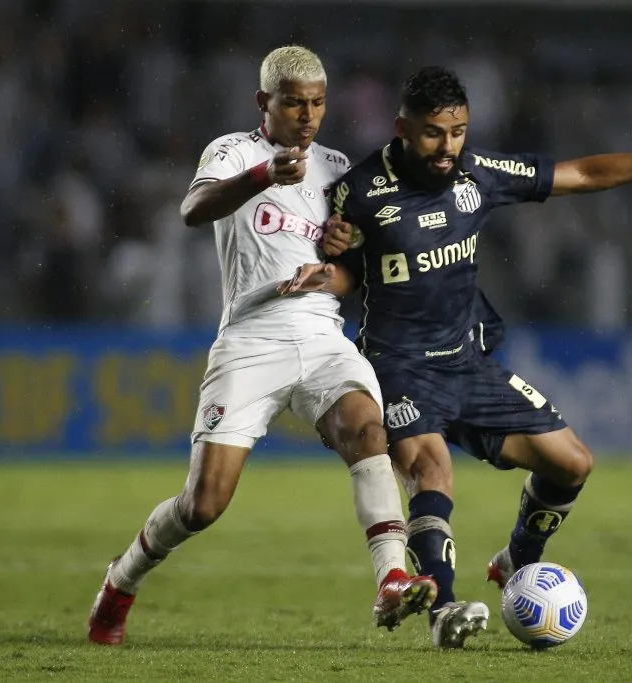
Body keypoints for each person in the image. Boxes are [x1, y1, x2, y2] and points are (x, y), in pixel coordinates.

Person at [280, 66, 632, 648]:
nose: (447, 147)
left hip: (468, 364)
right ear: (402, 128)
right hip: (400, 367)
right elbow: (346, 268)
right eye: (432, 134)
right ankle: (443, 611)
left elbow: (581, 173)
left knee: (572, 463)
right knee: (432, 472)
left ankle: (516, 559)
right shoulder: (362, 190)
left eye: (457, 132)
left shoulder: (478, 172)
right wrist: (329, 267)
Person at [87, 46, 437, 645]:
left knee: (366, 430)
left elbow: (352, 270)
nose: (308, 114)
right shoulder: (233, 153)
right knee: (203, 505)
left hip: (322, 332)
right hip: (251, 339)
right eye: (295, 102)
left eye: (319, 102)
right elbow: (193, 209)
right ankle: (120, 581)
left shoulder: (336, 166)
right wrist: (261, 177)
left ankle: (391, 581)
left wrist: (338, 257)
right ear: (264, 103)